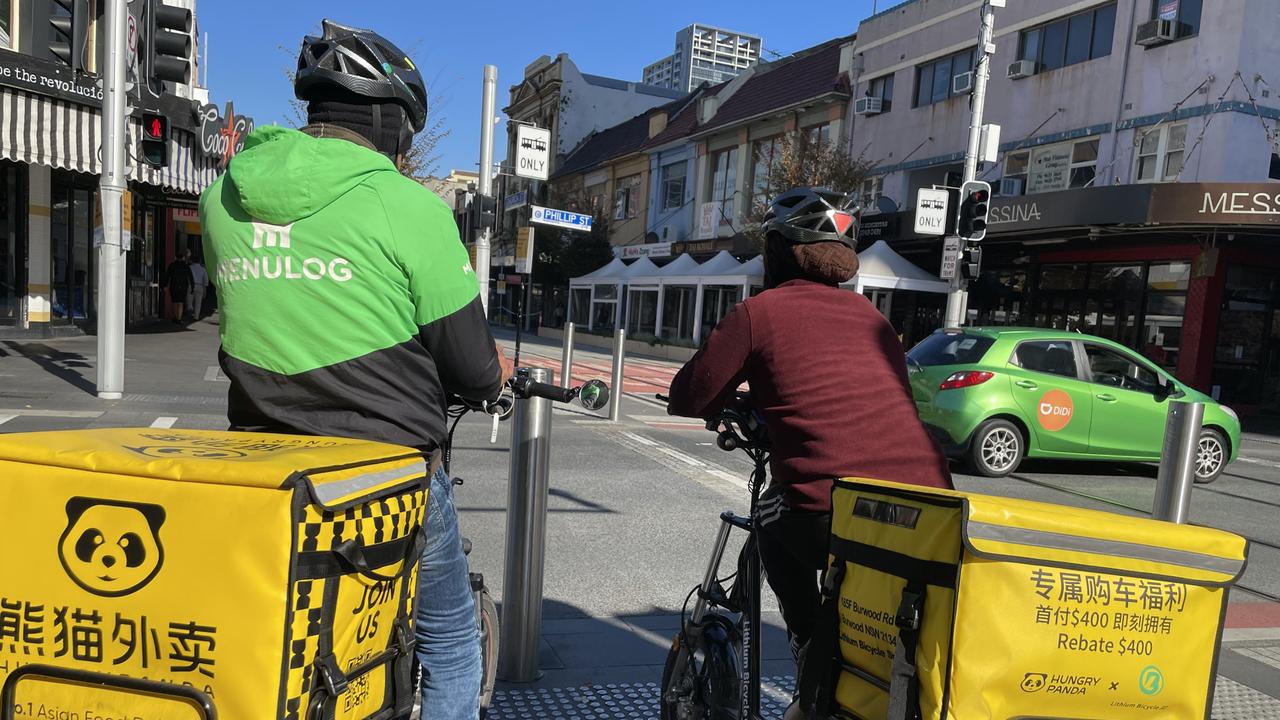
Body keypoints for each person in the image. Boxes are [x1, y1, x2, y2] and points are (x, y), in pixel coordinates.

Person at [199, 20, 513, 720]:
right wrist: (494, 382)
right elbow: (470, 365)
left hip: (266, 466)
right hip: (388, 473)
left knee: (287, 638)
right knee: (451, 640)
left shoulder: (220, 201)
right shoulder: (410, 209)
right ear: (391, 122)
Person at [666, 187, 953, 659]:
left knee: (767, 516)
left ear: (777, 251)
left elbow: (688, 396)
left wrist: (732, 406)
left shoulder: (759, 313)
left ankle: (810, 648)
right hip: (931, 508)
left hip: (830, 508)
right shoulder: (873, 318)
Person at [165, 250, 192, 323]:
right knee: (181, 302)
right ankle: (179, 318)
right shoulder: (186, 266)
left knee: (174, 302)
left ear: (175, 257)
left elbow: (168, 276)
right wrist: (192, 286)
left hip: (174, 285)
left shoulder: (172, 265)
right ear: (183, 258)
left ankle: (175, 316)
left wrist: (165, 285)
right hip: (183, 285)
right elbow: (190, 276)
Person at [187, 255, 209, 320]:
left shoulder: (189, 267)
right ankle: (196, 316)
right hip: (200, 286)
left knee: (189, 300)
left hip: (190, 285)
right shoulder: (203, 269)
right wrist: (205, 289)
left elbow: (187, 277)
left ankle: (190, 308)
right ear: (199, 261)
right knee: (198, 302)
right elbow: (205, 279)